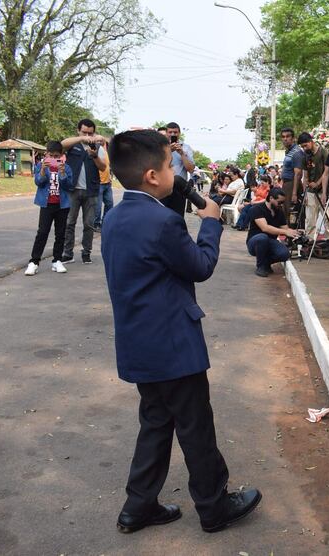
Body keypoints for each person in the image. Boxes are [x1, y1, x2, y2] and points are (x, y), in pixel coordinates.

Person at [101, 129, 261, 534]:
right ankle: (214, 506)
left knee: (156, 422)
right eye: (169, 164)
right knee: (195, 425)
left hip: (139, 344)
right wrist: (210, 223)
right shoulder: (163, 222)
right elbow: (200, 266)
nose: (176, 171)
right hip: (173, 345)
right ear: (153, 175)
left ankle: (138, 506)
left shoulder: (115, 216)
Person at [60, 118, 107, 265]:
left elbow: (103, 167)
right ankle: (68, 253)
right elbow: (61, 145)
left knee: (89, 224)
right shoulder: (72, 145)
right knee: (69, 223)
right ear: (78, 131)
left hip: (91, 191)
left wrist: (94, 156)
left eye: (90, 133)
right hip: (72, 190)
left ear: (94, 133)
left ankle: (86, 253)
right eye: (84, 132)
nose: (87, 136)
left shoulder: (98, 147)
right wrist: (81, 138)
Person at [24, 141, 75, 276]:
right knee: (42, 232)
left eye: (56, 156)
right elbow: (38, 183)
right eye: (50, 155)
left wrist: (62, 173)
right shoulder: (41, 166)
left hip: (62, 205)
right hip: (47, 205)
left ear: (61, 156)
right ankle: (34, 262)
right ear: (46, 154)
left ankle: (57, 260)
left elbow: (69, 186)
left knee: (60, 234)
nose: (53, 158)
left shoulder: (67, 168)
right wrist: (41, 171)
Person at [247, 188, 300, 277]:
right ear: (271, 198)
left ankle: (265, 263)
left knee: (284, 254)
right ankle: (260, 267)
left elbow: (285, 229)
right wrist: (285, 232)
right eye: (279, 202)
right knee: (262, 237)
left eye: (282, 202)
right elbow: (265, 228)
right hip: (255, 241)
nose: (281, 205)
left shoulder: (279, 212)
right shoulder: (257, 209)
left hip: (270, 241)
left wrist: (295, 232)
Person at [159, 121, 196, 216]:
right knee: (161, 214)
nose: (172, 134)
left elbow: (191, 169)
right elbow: (156, 165)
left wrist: (182, 154)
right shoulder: (159, 147)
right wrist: (169, 151)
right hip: (162, 186)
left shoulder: (186, 148)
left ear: (179, 133)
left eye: (175, 132)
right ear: (166, 133)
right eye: (170, 132)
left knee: (178, 216)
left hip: (179, 186)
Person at [298, 132, 328, 239]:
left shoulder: (323, 152)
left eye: (305, 145)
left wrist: (318, 183)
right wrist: (305, 193)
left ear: (311, 142)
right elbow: (305, 176)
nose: (304, 148)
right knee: (310, 219)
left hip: (323, 190)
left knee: (327, 218)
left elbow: (326, 172)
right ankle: (310, 241)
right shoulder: (305, 156)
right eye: (302, 147)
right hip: (310, 192)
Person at [279, 128, 304, 222]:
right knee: (285, 209)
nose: (285, 139)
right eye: (283, 137)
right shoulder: (289, 151)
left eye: (288, 136)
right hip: (286, 184)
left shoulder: (296, 152)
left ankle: (291, 234)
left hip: (292, 184)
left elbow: (298, 174)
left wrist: (294, 193)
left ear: (293, 138)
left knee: (290, 211)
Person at [93, 140, 113, 231]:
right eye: (98, 141)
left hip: (107, 183)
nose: (100, 142)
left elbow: (108, 167)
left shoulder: (106, 152)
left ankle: (105, 223)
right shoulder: (94, 153)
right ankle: (96, 224)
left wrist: (110, 178)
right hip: (99, 183)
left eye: (102, 141)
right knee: (98, 207)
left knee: (109, 204)